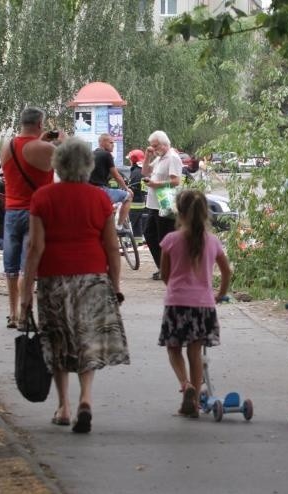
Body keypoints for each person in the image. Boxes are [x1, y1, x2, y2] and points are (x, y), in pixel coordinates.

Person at [20, 138, 130, 434]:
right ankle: (86, 399)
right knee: (86, 340)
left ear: (58, 165)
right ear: (88, 166)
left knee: (58, 340)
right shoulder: (100, 200)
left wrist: (25, 295)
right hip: (92, 278)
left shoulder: (42, 198)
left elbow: (35, 249)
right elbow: (110, 247)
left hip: (53, 278)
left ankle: (64, 407)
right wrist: (115, 285)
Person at [158, 189, 232, 417]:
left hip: (177, 302)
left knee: (173, 347)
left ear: (179, 212)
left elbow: (164, 274)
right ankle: (196, 401)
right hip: (204, 304)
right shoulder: (213, 241)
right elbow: (227, 271)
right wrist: (219, 293)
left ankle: (186, 385)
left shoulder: (171, 240)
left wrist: (176, 289)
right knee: (195, 350)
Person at [0, 108, 58, 328]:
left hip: (12, 211)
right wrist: (61, 138)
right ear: (40, 124)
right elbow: (72, 160)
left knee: (11, 268)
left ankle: (12, 314)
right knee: (29, 267)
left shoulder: (7, 146)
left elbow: (24, 156)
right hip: (36, 213)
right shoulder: (46, 148)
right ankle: (25, 315)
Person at [142, 130, 182, 281]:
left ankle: (170, 269)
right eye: (151, 146)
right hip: (153, 203)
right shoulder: (160, 158)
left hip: (166, 200)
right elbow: (145, 171)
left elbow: (175, 181)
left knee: (164, 237)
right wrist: (147, 156)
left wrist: (155, 184)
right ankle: (163, 267)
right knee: (149, 233)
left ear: (165, 144)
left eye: (156, 146)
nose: (154, 149)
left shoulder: (172, 158)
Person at [88, 133, 133, 230]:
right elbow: (116, 175)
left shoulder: (90, 154)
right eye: (111, 142)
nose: (113, 145)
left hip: (88, 191)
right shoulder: (106, 155)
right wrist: (126, 188)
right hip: (101, 191)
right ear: (102, 142)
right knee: (128, 196)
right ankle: (119, 226)